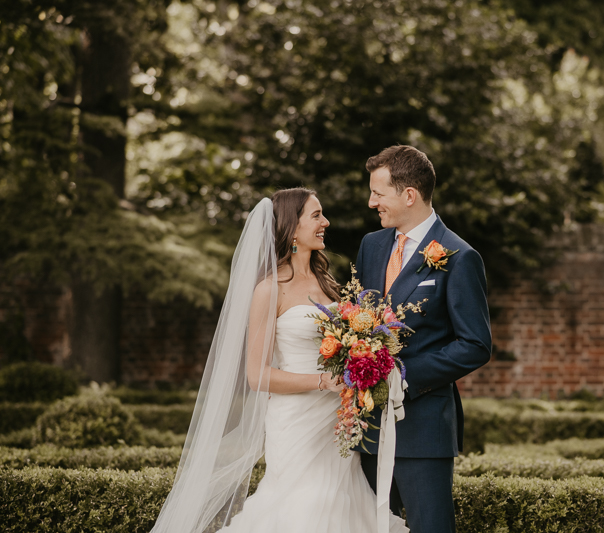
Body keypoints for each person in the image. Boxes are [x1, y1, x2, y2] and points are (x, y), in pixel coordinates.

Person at [150, 188, 408, 533]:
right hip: (297, 421)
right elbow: (256, 375)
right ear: (291, 227)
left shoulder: (329, 284)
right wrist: (321, 382)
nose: (325, 222)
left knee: (343, 504)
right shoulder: (269, 289)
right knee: (302, 507)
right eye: (316, 216)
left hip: (338, 420)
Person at [356, 146, 492, 533]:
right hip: (366, 430)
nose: (371, 202)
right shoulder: (372, 245)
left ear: (409, 195)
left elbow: (476, 344)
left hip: (423, 431)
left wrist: (401, 375)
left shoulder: (460, 256)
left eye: (378, 193)